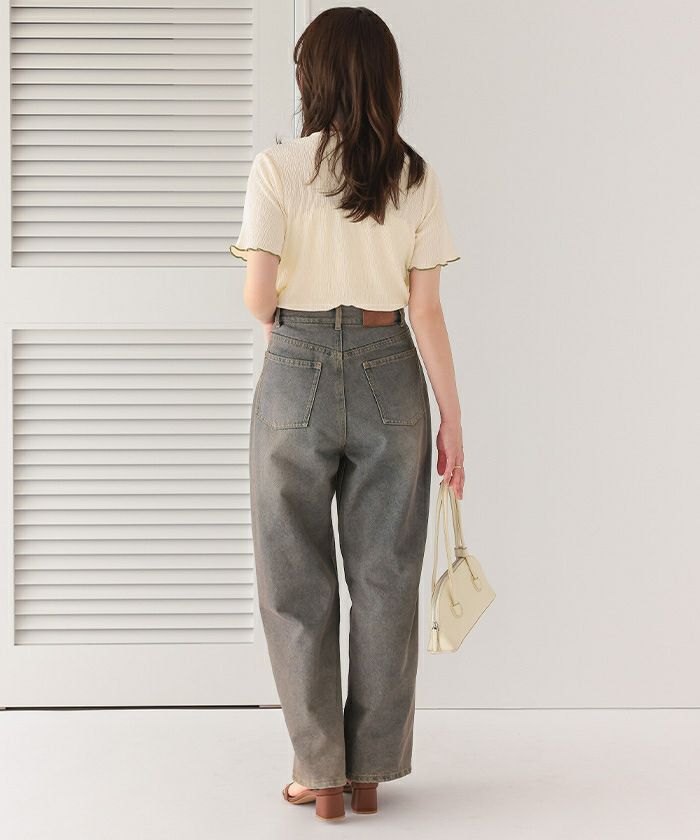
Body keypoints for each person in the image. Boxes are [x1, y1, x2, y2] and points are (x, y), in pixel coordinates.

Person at [229, 6, 465, 822]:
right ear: (387, 80)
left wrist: (298, 345)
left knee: (293, 579)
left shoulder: (278, 168)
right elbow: (426, 311)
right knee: (387, 577)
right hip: (390, 367)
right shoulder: (416, 176)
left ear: (313, 78)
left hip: (293, 365)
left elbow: (257, 295)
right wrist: (453, 421)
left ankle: (319, 774)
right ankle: (370, 772)